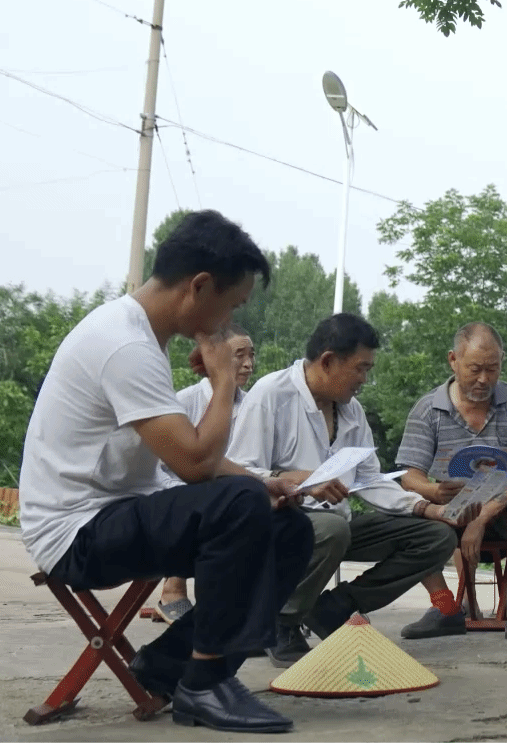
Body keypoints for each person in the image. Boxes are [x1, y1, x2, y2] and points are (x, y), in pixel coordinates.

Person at [18, 209, 311, 733]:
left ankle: (175, 666)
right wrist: (223, 382)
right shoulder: (124, 343)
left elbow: (181, 452)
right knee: (239, 504)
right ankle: (204, 688)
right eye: (233, 304)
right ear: (199, 287)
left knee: (288, 525)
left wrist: (259, 480)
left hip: (119, 511)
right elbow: (195, 464)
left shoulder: (141, 338)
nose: (229, 321)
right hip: (74, 533)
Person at [230, 314, 469, 667]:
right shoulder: (271, 395)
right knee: (331, 529)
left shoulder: (352, 411)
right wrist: (298, 479)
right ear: (328, 361)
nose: (364, 380)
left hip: (335, 527)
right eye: (360, 369)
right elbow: (238, 473)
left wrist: (426, 508)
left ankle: (334, 608)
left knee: (436, 537)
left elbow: (370, 479)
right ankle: (281, 621)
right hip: (278, 526)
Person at [393, 324, 507, 641]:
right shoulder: (427, 410)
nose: (484, 379)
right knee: (399, 515)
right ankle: (445, 608)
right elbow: (409, 477)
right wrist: (433, 492)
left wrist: (481, 518)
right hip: (450, 513)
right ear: (453, 360)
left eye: (492, 369)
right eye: (475, 369)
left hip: (505, 512)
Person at [154, 323, 257, 624]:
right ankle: (173, 588)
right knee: (200, 499)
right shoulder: (184, 401)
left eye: (252, 355)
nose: (249, 364)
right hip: (177, 482)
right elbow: (164, 463)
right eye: (239, 355)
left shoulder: (254, 404)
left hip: (233, 480)